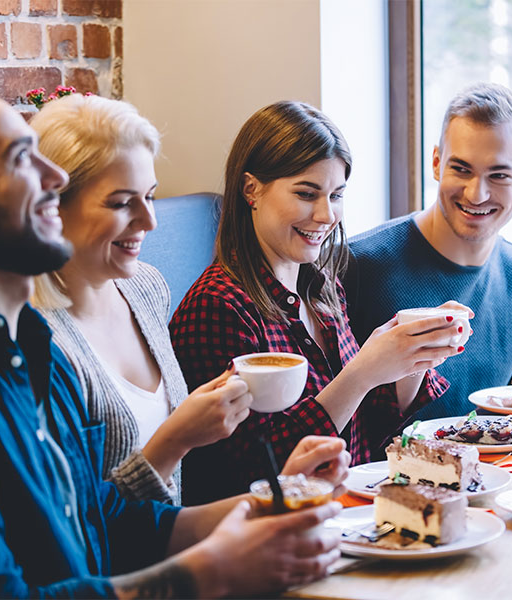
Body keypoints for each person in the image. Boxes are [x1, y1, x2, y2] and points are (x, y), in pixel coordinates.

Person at [0, 75, 345, 598]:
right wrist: (212, 571)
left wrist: (267, 505)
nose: (53, 176)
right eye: (21, 158)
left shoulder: (31, 346)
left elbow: (102, 521)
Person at [170, 101, 465, 505]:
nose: (327, 215)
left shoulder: (322, 290)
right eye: (307, 194)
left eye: (336, 195)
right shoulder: (218, 306)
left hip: (348, 513)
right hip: (274, 533)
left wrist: (414, 356)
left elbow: (361, 431)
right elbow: (254, 472)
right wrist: (361, 374)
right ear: (251, 189)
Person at [28, 93, 256, 504]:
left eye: (149, 196)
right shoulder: (34, 340)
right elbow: (77, 526)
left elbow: (174, 506)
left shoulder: (147, 288)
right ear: (51, 207)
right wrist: (176, 439)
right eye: (121, 203)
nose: (149, 222)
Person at [344, 82, 512, 420]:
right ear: (435, 163)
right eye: (461, 169)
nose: (476, 194)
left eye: (499, 175)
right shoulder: (359, 264)